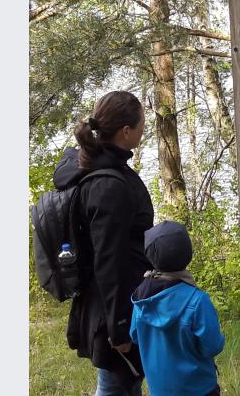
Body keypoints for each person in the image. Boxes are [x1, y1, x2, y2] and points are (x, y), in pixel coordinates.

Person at [52, 90, 153, 396]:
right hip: (113, 307)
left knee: (126, 383)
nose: (143, 130)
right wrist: (119, 326)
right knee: (113, 386)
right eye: (141, 124)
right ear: (125, 131)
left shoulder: (100, 168)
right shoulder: (108, 184)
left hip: (114, 302)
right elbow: (109, 261)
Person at [130, 221, 224, 396]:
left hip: (159, 390)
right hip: (200, 389)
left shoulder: (141, 298)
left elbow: (135, 336)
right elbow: (212, 346)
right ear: (187, 253)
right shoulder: (197, 301)